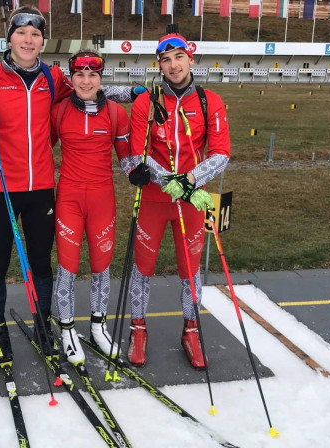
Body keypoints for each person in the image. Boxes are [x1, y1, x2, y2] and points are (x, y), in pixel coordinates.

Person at [0, 5, 142, 365]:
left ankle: (44, 324)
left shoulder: (54, 77)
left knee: (42, 263)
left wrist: (133, 90)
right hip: (0, 188)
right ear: (9, 37)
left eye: (35, 33)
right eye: (21, 32)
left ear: (42, 41)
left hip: (41, 186)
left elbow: (92, 88)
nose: (28, 39)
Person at [126, 32, 231, 370]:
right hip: (155, 200)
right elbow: (138, 153)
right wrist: (170, 181)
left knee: (190, 271)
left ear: (190, 59)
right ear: (159, 65)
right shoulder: (146, 102)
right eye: (165, 60)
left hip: (191, 200)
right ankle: (138, 329)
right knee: (142, 268)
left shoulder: (209, 101)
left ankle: (190, 329)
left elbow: (220, 154)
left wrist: (189, 181)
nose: (173, 65)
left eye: (178, 57)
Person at [49, 49, 135, 365]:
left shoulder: (115, 113)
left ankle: (98, 327)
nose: (86, 81)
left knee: (101, 267)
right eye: (80, 75)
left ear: (101, 78)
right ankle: (68, 329)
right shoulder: (58, 111)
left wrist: (134, 170)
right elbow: (42, 150)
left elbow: (126, 157)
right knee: (67, 269)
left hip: (102, 199)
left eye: (93, 75)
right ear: (71, 79)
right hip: (69, 198)